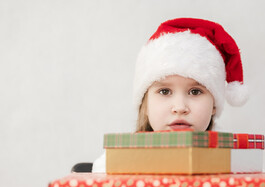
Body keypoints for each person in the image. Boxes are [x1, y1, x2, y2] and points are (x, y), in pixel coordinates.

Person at [92, 17, 248, 173]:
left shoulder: (231, 161)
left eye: (195, 92)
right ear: (145, 104)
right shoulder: (115, 162)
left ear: (214, 104)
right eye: (165, 91)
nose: (180, 108)